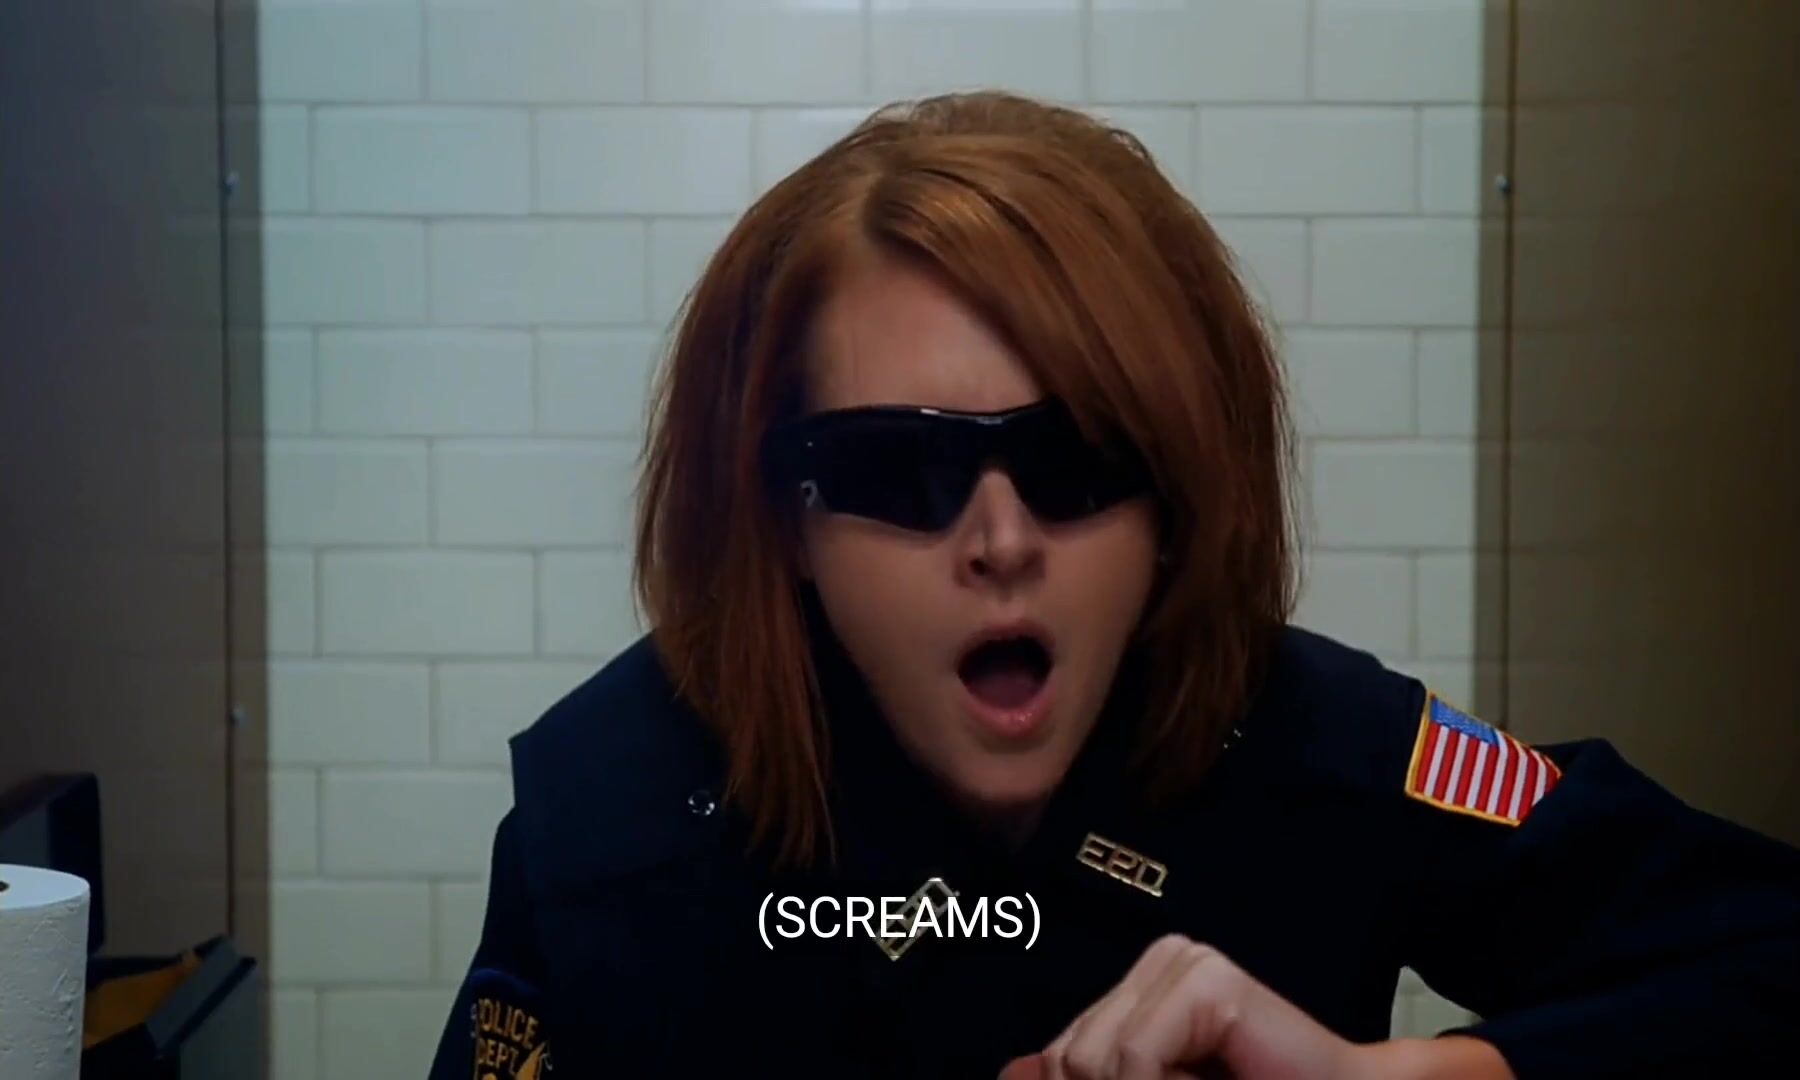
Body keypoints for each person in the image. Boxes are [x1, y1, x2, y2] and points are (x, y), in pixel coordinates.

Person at [427, 91, 1800, 1080]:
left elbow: (1757, 950)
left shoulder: (1322, 745)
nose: (1001, 538)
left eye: (1079, 455)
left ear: (1177, 491)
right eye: (899, 469)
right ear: (783, 517)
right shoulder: (612, 818)